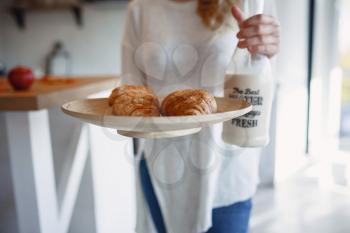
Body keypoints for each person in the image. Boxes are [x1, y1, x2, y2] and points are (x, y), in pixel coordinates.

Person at [120, 0, 280, 232]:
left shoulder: (247, 2)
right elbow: (130, 91)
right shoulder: (140, 9)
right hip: (161, 167)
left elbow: (263, 76)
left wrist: (266, 53)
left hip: (227, 169)